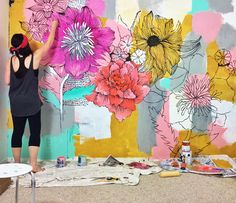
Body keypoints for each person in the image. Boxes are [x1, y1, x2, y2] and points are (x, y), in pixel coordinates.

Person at [4, 19, 58, 172]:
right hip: (32, 103)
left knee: (17, 132)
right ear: (26, 44)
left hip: (16, 103)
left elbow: (8, 81)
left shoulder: (10, 61)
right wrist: (53, 27)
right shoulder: (34, 58)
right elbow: (49, 44)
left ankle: (16, 165)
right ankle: (33, 166)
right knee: (34, 133)